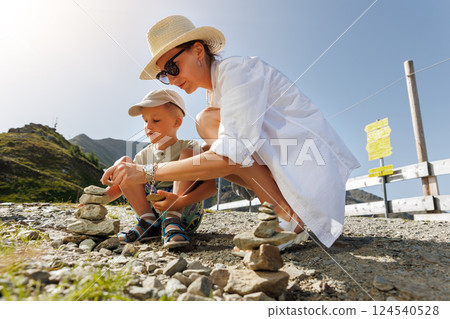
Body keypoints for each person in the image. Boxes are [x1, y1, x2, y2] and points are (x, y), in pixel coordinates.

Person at [102, 15, 359, 250]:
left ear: (198, 51)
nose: (172, 78)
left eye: (172, 66)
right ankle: (284, 214)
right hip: (290, 162)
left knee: (209, 126)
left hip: (307, 162)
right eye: (164, 75)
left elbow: (231, 155)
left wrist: (146, 172)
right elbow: (222, 156)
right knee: (208, 146)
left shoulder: (236, 71)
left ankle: (285, 217)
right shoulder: (216, 91)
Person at [103, 89, 216, 248]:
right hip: (151, 212)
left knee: (189, 154)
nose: (148, 126)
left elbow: (210, 187)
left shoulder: (190, 147)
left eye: (155, 120)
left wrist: (180, 202)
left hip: (183, 213)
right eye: (145, 120)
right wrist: (101, 199)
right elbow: (125, 183)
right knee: (125, 163)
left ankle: (172, 220)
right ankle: (147, 221)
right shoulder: (143, 155)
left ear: (176, 123)